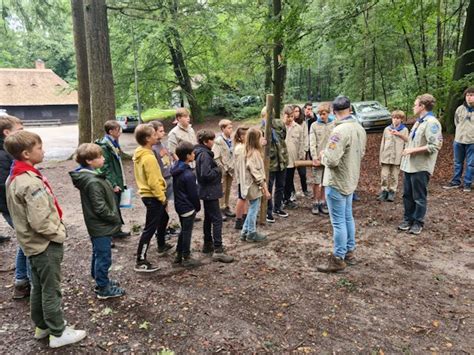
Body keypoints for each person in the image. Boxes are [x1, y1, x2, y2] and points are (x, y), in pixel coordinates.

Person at [5, 131, 86, 348]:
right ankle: (58, 332)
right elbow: (40, 221)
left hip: (31, 244)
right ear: (26, 154)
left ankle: (42, 326)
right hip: (44, 245)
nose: (44, 151)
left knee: (39, 286)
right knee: (51, 288)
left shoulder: (15, 176)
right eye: (39, 148)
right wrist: (59, 234)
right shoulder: (30, 183)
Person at [317, 96, 366, 273]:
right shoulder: (360, 129)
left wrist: (322, 154)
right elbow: (362, 153)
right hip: (351, 180)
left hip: (337, 182)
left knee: (338, 222)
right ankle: (349, 252)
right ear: (350, 109)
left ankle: (338, 258)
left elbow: (331, 160)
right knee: (347, 218)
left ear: (334, 112)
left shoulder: (339, 131)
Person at [69, 143, 126, 299]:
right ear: (89, 160)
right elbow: (99, 207)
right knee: (103, 255)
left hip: (98, 225)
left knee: (98, 252)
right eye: (99, 157)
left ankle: (101, 280)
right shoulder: (92, 181)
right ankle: (103, 288)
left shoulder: (92, 175)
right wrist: (115, 217)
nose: (102, 159)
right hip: (100, 225)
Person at [399, 94, 443, 235]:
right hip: (409, 165)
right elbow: (414, 140)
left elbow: (435, 145)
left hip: (421, 166)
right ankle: (408, 219)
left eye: (415, 104)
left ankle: (418, 222)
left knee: (419, 196)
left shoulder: (432, 123)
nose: (413, 106)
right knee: (407, 195)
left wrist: (413, 150)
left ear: (422, 106)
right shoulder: (419, 122)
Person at [133, 124, 172, 272]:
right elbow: (153, 181)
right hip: (152, 196)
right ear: (147, 138)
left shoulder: (141, 152)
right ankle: (140, 260)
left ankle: (161, 245)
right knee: (149, 228)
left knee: (164, 218)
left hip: (149, 194)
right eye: (154, 135)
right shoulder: (148, 157)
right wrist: (162, 197)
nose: (157, 136)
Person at [0, 115, 31, 299]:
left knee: (24, 240)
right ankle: (24, 281)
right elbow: (6, 187)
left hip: (11, 204)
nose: (23, 132)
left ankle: (21, 280)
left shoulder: (7, 152)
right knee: (28, 239)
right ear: (7, 133)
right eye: (20, 130)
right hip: (11, 206)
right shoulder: (4, 156)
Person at [194, 129, 234, 263]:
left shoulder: (201, 153)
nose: (213, 142)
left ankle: (207, 244)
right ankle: (218, 249)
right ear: (205, 141)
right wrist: (218, 170)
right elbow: (205, 174)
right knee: (217, 220)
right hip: (210, 191)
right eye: (211, 140)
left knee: (209, 218)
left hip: (207, 191)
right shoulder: (204, 155)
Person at [95, 120, 130, 239]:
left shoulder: (113, 143)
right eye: (117, 130)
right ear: (111, 131)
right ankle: (114, 231)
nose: (120, 132)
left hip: (117, 178)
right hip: (113, 182)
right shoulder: (105, 146)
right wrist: (114, 184)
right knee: (113, 205)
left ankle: (117, 228)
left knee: (116, 204)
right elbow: (106, 168)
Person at [170, 142, 202, 267]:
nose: (194, 155)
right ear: (188, 156)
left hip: (179, 205)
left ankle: (178, 254)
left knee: (183, 231)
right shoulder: (188, 174)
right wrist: (197, 206)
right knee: (187, 232)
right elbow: (193, 194)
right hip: (187, 207)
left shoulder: (176, 168)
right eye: (193, 153)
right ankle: (186, 257)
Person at [240, 128, 270, 242]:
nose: (263, 139)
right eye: (260, 137)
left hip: (248, 185)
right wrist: (265, 189)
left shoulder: (247, 151)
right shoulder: (255, 154)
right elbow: (257, 174)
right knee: (254, 209)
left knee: (252, 208)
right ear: (255, 140)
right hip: (254, 187)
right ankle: (251, 233)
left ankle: (244, 231)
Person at [149, 121, 179, 237]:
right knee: (161, 205)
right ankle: (160, 229)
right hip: (161, 179)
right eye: (160, 131)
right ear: (153, 132)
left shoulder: (162, 144)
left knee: (166, 204)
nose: (163, 133)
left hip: (168, 176)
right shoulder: (152, 149)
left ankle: (165, 227)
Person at [443, 87, 474, 192]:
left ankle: (468, 183)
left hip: (472, 142)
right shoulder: (460, 109)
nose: (469, 98)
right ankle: (456, 181)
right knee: (457, 162)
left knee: (471, 163)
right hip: (459, 140)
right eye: (468, 95)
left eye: (472, 95)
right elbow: (456, 122)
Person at [261, 106, 289, 223]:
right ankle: (268, 211)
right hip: (270, 162)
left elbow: (283, 137)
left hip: (281, 159)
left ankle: (278, 207)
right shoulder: (261, 128)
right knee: (269, 186)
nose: (266, 118)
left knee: (280, 185)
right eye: (265, 116)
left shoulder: (279, 124)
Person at [309, 102, 335, 215]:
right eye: (319, 114)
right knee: (316, 181)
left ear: (328, 113)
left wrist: (332, 154)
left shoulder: (333, 125)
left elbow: (335, 142)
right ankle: (315, 201)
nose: (321, 116)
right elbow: (312, 143)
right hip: (318, 159)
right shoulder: (314, 125)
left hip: (328, 159)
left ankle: (323, 201)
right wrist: (314, 157)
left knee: (326, 182)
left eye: (323, 114)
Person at [378, 110, 409, 202]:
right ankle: (384, 191)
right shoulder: (387, 129)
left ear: (401, 119)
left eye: (398, 118)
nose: (395, 120)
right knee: (384, 175)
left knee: (394, 176)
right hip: (386, 157)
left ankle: (392, 191)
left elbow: (408, 141)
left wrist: (399, 134)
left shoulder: (404, 130)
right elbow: (382, 144)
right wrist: (380, 157)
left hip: (397, 157)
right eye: (394, 118)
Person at [212, 119, 236, 218]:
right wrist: (223, 168)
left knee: (228, 188)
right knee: (222, 189)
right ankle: (220, 208)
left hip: (231, 169)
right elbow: (216, 157)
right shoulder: (218, 141)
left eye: (231, 128)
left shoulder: (232, 139)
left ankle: (226, 206)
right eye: (229, 128)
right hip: (223, 170)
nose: (231, 130)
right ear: (222, 129)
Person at [283, 104, 305, 208]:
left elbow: (301, 143)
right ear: (284, 115)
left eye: (292, 116)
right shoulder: (280, 127)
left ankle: (287, 199)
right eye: (288, 116)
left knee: (289, 179)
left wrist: (301, 155)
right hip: (281, 159)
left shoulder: (298, 128)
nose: (290, 119)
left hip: (292, 159)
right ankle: (281, 200)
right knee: (281, 181)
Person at [233, 126, 249, 230]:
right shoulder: (240, 149)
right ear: (241, 137)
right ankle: (238, 220)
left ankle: (245, 215)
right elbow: (240, 166)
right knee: (242, 197)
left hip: (245, 178)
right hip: (242, 178)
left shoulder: (244, 146)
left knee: (245, 197)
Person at [292, 105, 310, 198]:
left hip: (301, 151)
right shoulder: (289, 123)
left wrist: (305, 150)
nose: (296, 113)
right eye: (295, 111)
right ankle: (292, 192)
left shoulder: (303, 123)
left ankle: (305, 189)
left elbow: (305, 137)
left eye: (298, 111)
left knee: (302, 173)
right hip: (292, 152)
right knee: (290, 174)